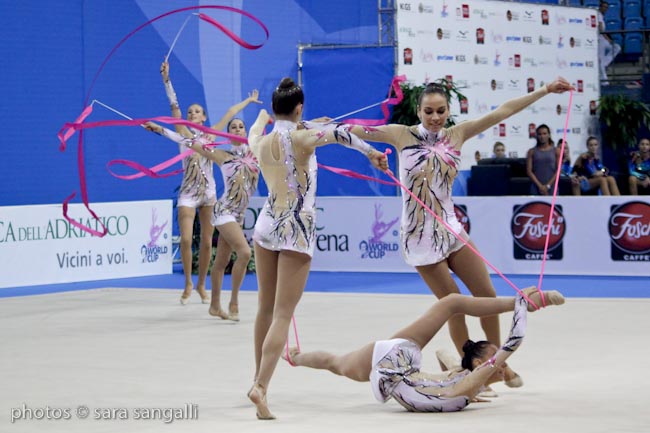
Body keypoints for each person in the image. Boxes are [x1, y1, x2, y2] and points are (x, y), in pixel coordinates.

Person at [346, 78, 573, 390]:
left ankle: (496, 363)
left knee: (487, 295)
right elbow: (354, 130)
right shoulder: (401, 134)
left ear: (448, 110)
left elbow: (503, 112)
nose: (435, 117)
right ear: (418, 110)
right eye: (429, 111)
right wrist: (313, 127)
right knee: (455, 304)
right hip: (419, 238)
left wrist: (545, 91)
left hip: (451, 229)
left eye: (441, 111)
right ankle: (472, 368)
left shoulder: (457, 134)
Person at [246, 77, 388, 420]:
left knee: (265, 310)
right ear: (299, 108)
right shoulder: (303, 137)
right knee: (282, 314)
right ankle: (261, 387)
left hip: (266, 224)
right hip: (296, 229)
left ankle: (257, 379)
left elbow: (256, 132)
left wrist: (265, 119)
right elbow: (342, 134)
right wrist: (371, 153)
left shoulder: (260, 142)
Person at [283, 287, 565, 413]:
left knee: (338, 364)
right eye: (496, 361)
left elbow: (444, 354)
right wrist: (520, 306)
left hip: (400, 370)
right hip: (397, 367)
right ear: (480, 363)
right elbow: (513, 342)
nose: (503, 367)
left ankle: (295, 357)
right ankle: (523, 300)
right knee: (452, 302)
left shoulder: (469, 382)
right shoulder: (473, 380)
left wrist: (452, 376)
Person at [156, 60, 261, 305]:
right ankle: (188, 284)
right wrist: (167, 80)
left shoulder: (212, 135)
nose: (192, 114)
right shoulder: (183, 132)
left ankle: (202, 285)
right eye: (190, 112)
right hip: (188, 192)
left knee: (206, 242)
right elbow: (174, 107)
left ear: (203, 117)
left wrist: (248, 101)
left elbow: (231, 114)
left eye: (196, 112)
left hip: (209, 192)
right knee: (184, 238)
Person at [144, 116, 260, 320]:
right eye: (233, 127)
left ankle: (214, 305)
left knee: (222, 261)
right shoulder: (222, 156)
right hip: (223, 211)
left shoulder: (257, 153)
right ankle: (234, 302)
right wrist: (160, 130)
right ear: (227, 133)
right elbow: (187, 141)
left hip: (238, 215)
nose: (238, 129)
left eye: (241, 126)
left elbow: (284, 138)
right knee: (244, 252)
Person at [527, 124, 561, 195]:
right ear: (537, 136)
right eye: (540, 134)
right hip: (536, 188)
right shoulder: (531, 152)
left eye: (544, 134)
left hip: (552, 187)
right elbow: (529, 171)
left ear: (549, 135)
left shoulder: (556, 151)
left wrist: (548, 186)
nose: (542, 136)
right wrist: (540, 186)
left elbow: (558, 170)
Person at [598, 1, 621, 85]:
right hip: (600, 39)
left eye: (606, 7)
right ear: (600, 7)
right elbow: (600, 29)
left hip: (603, 39)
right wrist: (607, 39)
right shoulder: (598, 15)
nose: (605, 8)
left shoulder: (602, 16)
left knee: (617, 47)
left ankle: (605, 64)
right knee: (600, 58)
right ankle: (604, 81)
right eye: (604, 7)